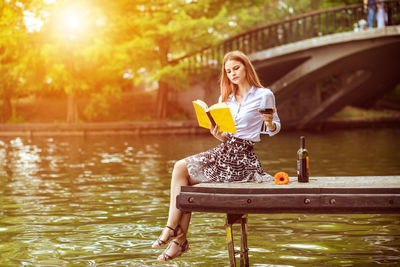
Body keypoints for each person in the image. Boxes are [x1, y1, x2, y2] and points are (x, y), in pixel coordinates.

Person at [151, 50, 281, 262]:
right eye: (228, 71)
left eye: (236, 68)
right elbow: (228, 134)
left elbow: (276, 128)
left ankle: (176, 235)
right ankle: (176, 235)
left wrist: (269, 122)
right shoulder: (226, 98)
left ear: (246, 67)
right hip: (225, 151)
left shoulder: (263, 94)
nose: (232, 74)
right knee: (180, 167)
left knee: (185, 179)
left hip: (243, 160)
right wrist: (218, 135)